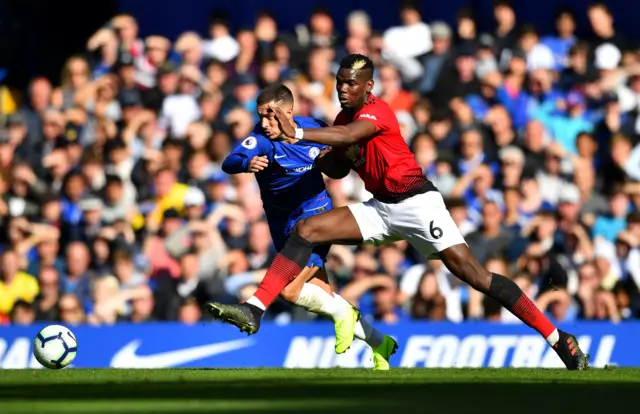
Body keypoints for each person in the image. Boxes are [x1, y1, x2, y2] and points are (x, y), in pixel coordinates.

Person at [207, 55, 587, 371]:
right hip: (381, 208)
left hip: (418, 205)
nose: (343, 89)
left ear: (368, 87)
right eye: (340, 82)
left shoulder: (378, 111)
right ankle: (254, 309)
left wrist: (301, 136)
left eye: (352, 83)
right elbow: (338, 166)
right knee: (306, 230)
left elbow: (346, 137)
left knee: (475, 275)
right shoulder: (341, 122)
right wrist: (328, 157)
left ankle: (558, 338)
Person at [215, 83, 396, 370]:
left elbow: (341, 160)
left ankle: (255, 308)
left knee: (288, 291)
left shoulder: (313, 130)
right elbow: (230, 161)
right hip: (282, 225)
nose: (264, 123)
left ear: (288, 112)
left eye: (270, 116)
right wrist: (247, 163)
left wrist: (345, 157)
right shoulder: (261, 140)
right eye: (261, 116)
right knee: (321, 293)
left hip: (315, 220)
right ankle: (379, 343)